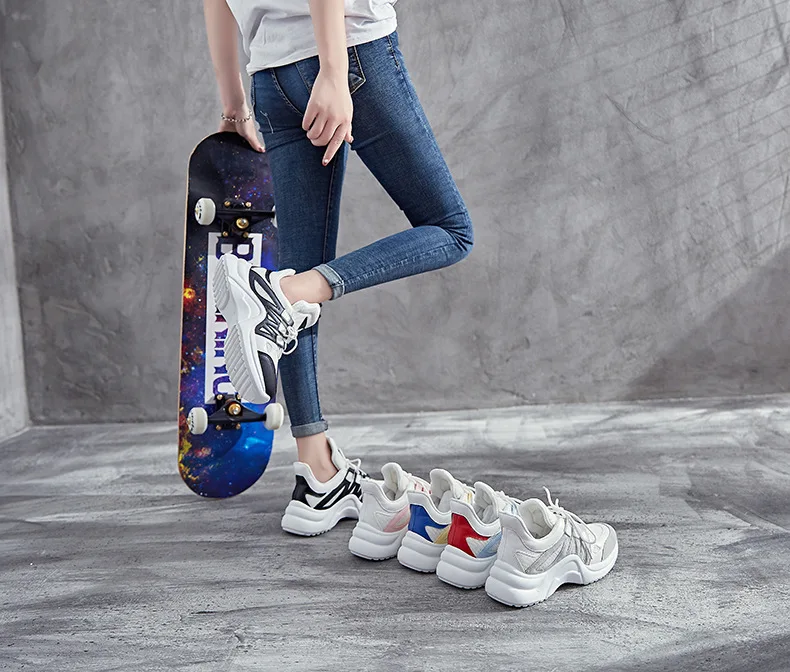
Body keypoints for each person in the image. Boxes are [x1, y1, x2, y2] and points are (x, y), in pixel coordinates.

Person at [203, 0, 474, 536]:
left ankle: (318, 476)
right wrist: (332, 69)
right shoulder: (337, 61)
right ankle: (288, 292)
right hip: (349, 53)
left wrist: (233, 106)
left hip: (271, 76)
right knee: (451, 229)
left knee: (295, 279)